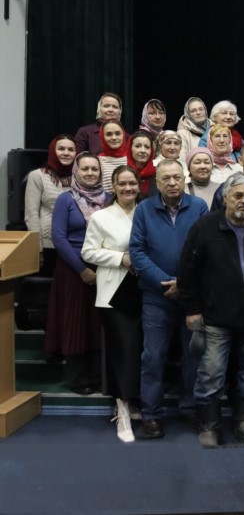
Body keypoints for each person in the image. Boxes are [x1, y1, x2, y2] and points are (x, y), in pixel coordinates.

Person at [180, 173, 244, 448]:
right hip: (214, 317)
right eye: (238, 196)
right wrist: (192, 310)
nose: (243, 201)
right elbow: (187, 271)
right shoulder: (204, 228)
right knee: (211, 374)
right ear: (225, 198)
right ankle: (210, 425)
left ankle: (243, 419)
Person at [129, 159, 209, 439]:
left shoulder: (199, 207)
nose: (172, 183)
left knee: (193, 356)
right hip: (156, 297)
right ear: (157, 183)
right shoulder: (144, 209)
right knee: (153, 357)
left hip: (191, 299)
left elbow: (205, 249)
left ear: (184, 179)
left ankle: (190, 408)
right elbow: (137, 251)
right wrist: (165, 282)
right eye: (166, 179)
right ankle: (151, 415)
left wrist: (183, 284)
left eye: (177, 177)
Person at [81, 165, 144, 443]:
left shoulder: (147, 212)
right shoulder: (101, 217)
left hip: (144, 290)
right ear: (114, 187)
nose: (128, 188)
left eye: (132, 183)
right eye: (122, 184)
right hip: (115, 291)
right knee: (123, 351)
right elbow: (88, 252)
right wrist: (121, 258)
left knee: (142, 350)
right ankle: (122, 410)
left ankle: (134, 401)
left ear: (139, 186)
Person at [45, 152, 106, 395]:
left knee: (97, 323)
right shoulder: (66, 199)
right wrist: (82, 270)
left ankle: (99, 376)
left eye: (94, 169)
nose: (90, 173)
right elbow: (59, 238)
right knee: (76, 323)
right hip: (73, 268)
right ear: (76, 172)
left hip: (103, 267)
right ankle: (78, 379)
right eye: (85, 169)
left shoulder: (109, 198)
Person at [24, 134, 76, 275]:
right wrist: (38, 248)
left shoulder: (80, 176)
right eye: (61, 149)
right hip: (48, 247)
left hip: (75, 246)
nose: (66, 153)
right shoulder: (37, 176)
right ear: (53, 151)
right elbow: (31, 215)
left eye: (71, 149)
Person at [98, 119, 129, 191]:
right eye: (109, 134)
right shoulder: (97, 161)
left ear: (123, 134)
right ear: (102, 136)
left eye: (118, 133)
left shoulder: (132, 158)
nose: (114, 138)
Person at [127, 131, 157, 196]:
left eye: (147, 147)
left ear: (151, 150)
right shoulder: (123, 173)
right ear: (130, 148)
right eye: (138, 146)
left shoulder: (158, 173)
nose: (143, 151)